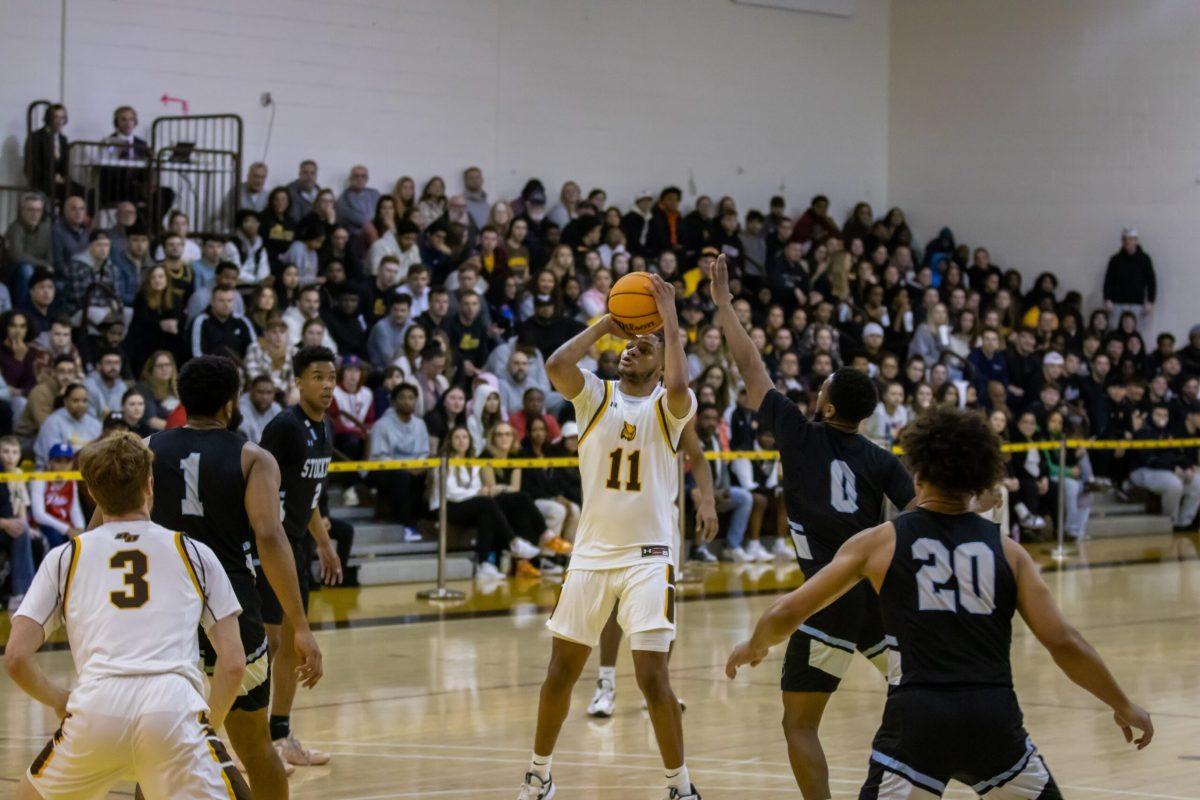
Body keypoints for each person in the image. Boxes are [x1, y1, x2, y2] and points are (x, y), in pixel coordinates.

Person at [727, 407, 1153, 799]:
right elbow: (1064, 642)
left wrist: (756, 644)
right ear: (980, 477)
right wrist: (1122, 703)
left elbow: (788, 612)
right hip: (994, 719)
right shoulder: (1008, 552)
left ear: (917, 472)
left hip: (918, 721)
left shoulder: (880, 542)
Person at [708, 253, 915, 799]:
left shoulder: (798, 436)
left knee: (799, 724)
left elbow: (751, 365)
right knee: (917, 695)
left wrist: (724, 304)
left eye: (820, 386)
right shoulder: (881, 459)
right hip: (878, 600)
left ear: (824, 404)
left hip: (826, 602)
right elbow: (921, 515)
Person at [519, 271, 700, 800]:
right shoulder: (594, 398)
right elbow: (556, 365)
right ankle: (539, 774)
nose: (630, 353)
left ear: (659, 362)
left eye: (643, 350)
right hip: (591, 554)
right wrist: (607, 324)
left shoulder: (669, 409)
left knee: (651, 678)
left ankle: (679, 786)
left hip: (649, 558)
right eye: (628, 347)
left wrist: (666, 322)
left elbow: (683, 385)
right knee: (559, 672)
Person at [6, 432, 251, 800]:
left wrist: (58, 699)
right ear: (150, 484)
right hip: (173, 709)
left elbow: (15, 658)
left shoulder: (65, 557)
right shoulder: (193, 552)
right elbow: (233, 664)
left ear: (90, 492)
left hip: (96, 711)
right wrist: (207, 728)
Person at [146, 355, 323, 799]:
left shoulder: (144, 449)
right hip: (231, 610)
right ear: (231, 402)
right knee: (255, 745)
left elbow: (101, 534)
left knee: (155, 750)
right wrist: (299, 625)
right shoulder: (253, 457)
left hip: (164, 614)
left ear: (183, 400)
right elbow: (269, 535)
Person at [256, 346, 342, 767]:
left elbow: (308, 497)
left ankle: (281, 734)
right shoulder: (283, 428)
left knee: (291, 642)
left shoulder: (325, 430)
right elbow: (258, 489)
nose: (327, 384)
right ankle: (254, 744)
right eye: (318, 376)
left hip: (298, 545)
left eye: (331, 376)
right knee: (270, 642)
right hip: (269, 546)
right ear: (298, 381)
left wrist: (323, 543)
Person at [368, 382, 430, 539]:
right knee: (402, 477)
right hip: (382, 469)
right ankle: (406, 523)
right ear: (394, 402)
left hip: (413, 468)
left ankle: (423, 521)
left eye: (411, 397)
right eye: (402, 397)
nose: (407, 401)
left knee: (427, 476)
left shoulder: (420, 424)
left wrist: (420, 466)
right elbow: (380, 456)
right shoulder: (382, 425)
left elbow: (424, 452)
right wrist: (406, 468)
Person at [34, 383, 101, 468]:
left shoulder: (95, 424)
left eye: (84, 401)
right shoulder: (52, 422)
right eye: (75, 401)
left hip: (86, 473)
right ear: (65, 402)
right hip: (50, 476)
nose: (81, 405)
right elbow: (54, 459)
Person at [1103, 227, 1156, 325]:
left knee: (1134, 334)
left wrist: (1150, 301)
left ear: (1136, 240)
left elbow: (1151, 282)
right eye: (1125, 239)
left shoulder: (1144, 259)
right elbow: (1108, 281)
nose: (1127, 242)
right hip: (1117, 303)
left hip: (1137, 304)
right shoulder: (1115, 260)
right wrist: (1107, 299)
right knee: (1115, 331)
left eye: (1130, 239)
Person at [189, 286, 255, 360]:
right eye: (221, 301)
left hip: (239, 369)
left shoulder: (242, 321)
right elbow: (197, 354)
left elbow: (254, 349)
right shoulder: (201, 321)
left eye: (229, 301)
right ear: (212, 302)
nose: (226, 305)